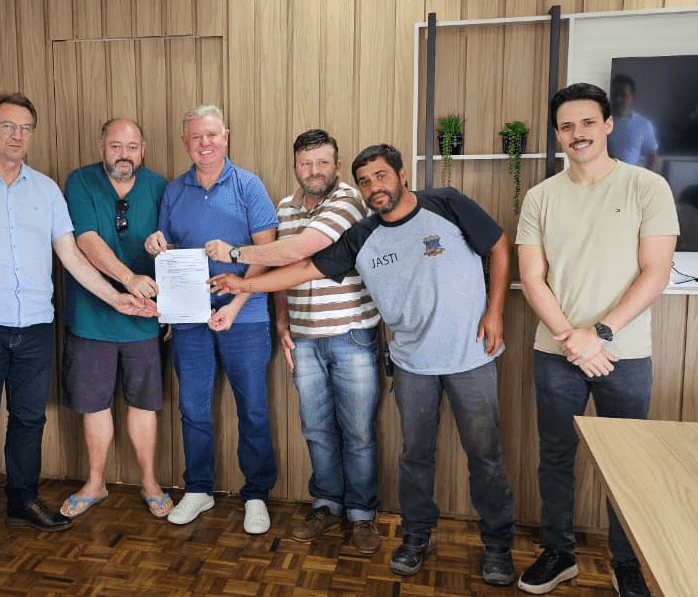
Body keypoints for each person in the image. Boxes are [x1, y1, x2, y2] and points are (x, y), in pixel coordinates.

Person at [209, 143, 516, 586]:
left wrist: (496, 311)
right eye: (366, 181)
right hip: (412, 364)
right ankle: (415, 537)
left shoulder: (445, 203)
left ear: (402, 175)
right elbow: (304, 270)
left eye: (381, 176)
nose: (375, 187)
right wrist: (243, 286)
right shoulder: (362, 235)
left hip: (471, 354)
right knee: (415, 456)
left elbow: (499, 244)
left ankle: (498, 546)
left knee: (485, 455)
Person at [0, 93, 156, 561]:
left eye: (25, 128)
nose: (17, 136)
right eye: (7, 126)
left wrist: (117, 297)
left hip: (34, 324)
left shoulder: (46, 189)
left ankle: (22, 500)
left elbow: (71, 255)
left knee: (29, 419)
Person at [516, 82, 678, 597]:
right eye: (566, 126)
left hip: (623, 355)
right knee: (555, 457)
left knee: (625, 463)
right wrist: (573, 338)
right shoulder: (540, 197)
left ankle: (626, 563)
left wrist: (600, 334)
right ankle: (559, 553)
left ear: (608, 125)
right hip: (556, 353)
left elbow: (656, 272)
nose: (577, 133)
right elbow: (532, 278)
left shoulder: (647, 187)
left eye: (587, 122)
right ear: (557, 134)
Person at [204, 129, 382, 552]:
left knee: (358, 432)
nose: (314, 171)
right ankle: (325, 504)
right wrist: (282, 324)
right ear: (295, 166)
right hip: (303, 339)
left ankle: (361, 514)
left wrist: (235, 253)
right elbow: (280, 274)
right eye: (306, 163)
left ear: (337, 166)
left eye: (322, 162)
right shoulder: (285, 206)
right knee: (316, 429)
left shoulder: (349, 201)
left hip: (352, 335)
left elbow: (299, 251)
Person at [143, 105, 278, 534]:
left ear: (226, 136)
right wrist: (155, 243)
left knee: (252, 407)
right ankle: (198, 489)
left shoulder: (249, 185)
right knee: (192, 407)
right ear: (186, 142)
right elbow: (167, 252)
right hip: (189, 319)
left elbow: (267, 251)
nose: (205, 143)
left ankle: (256, 494)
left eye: (212, 135)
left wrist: (234, 305)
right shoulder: (173, 191)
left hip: (246, 317)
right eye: (196, 137)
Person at [58, 118, 173, 519]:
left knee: (144, 403)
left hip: (144, 316)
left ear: (143, 149)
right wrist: (127, 278)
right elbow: (86, 240)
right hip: (91, 316)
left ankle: (150, 482)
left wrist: (170, 305)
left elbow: (171, 247)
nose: (124, 155)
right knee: (94, 404)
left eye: (132, 147)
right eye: (115, 146)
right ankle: (95, 483)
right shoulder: (80, 181)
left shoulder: (159, 187)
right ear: (101, 146)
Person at [607, 75, 658, 169]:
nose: (618, 99)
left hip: (632, 176)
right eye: (614, 94)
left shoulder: (643, 124)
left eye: (623, 95)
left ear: (632, 97)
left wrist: (648, 177)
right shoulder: (601, 122)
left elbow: (652, 155)